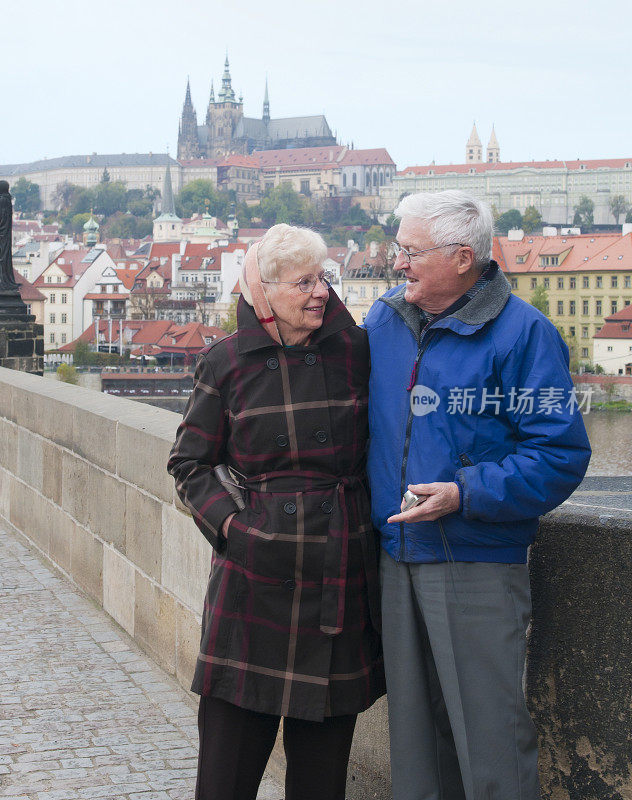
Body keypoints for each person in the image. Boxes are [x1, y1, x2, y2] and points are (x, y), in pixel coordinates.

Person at [364, 190, 591, 800]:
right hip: (397, 554)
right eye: (398, 248)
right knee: (414, 747)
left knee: (489, 742)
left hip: (474, 559)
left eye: (410, 251)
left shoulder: (523, 334)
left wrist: (465, 493)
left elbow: (560, 455)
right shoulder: (384, 320)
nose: (397, 262)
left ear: (462, 257)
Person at [168, 223, 384, 800]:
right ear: (265, 292)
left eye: (322, 279)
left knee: (320, 782)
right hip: (253, 587)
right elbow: (189, 463)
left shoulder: (358, 351)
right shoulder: (227, 362)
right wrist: (235, 529)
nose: (319, 292)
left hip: (337, 578)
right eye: (302, 282)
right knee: (225, 778)